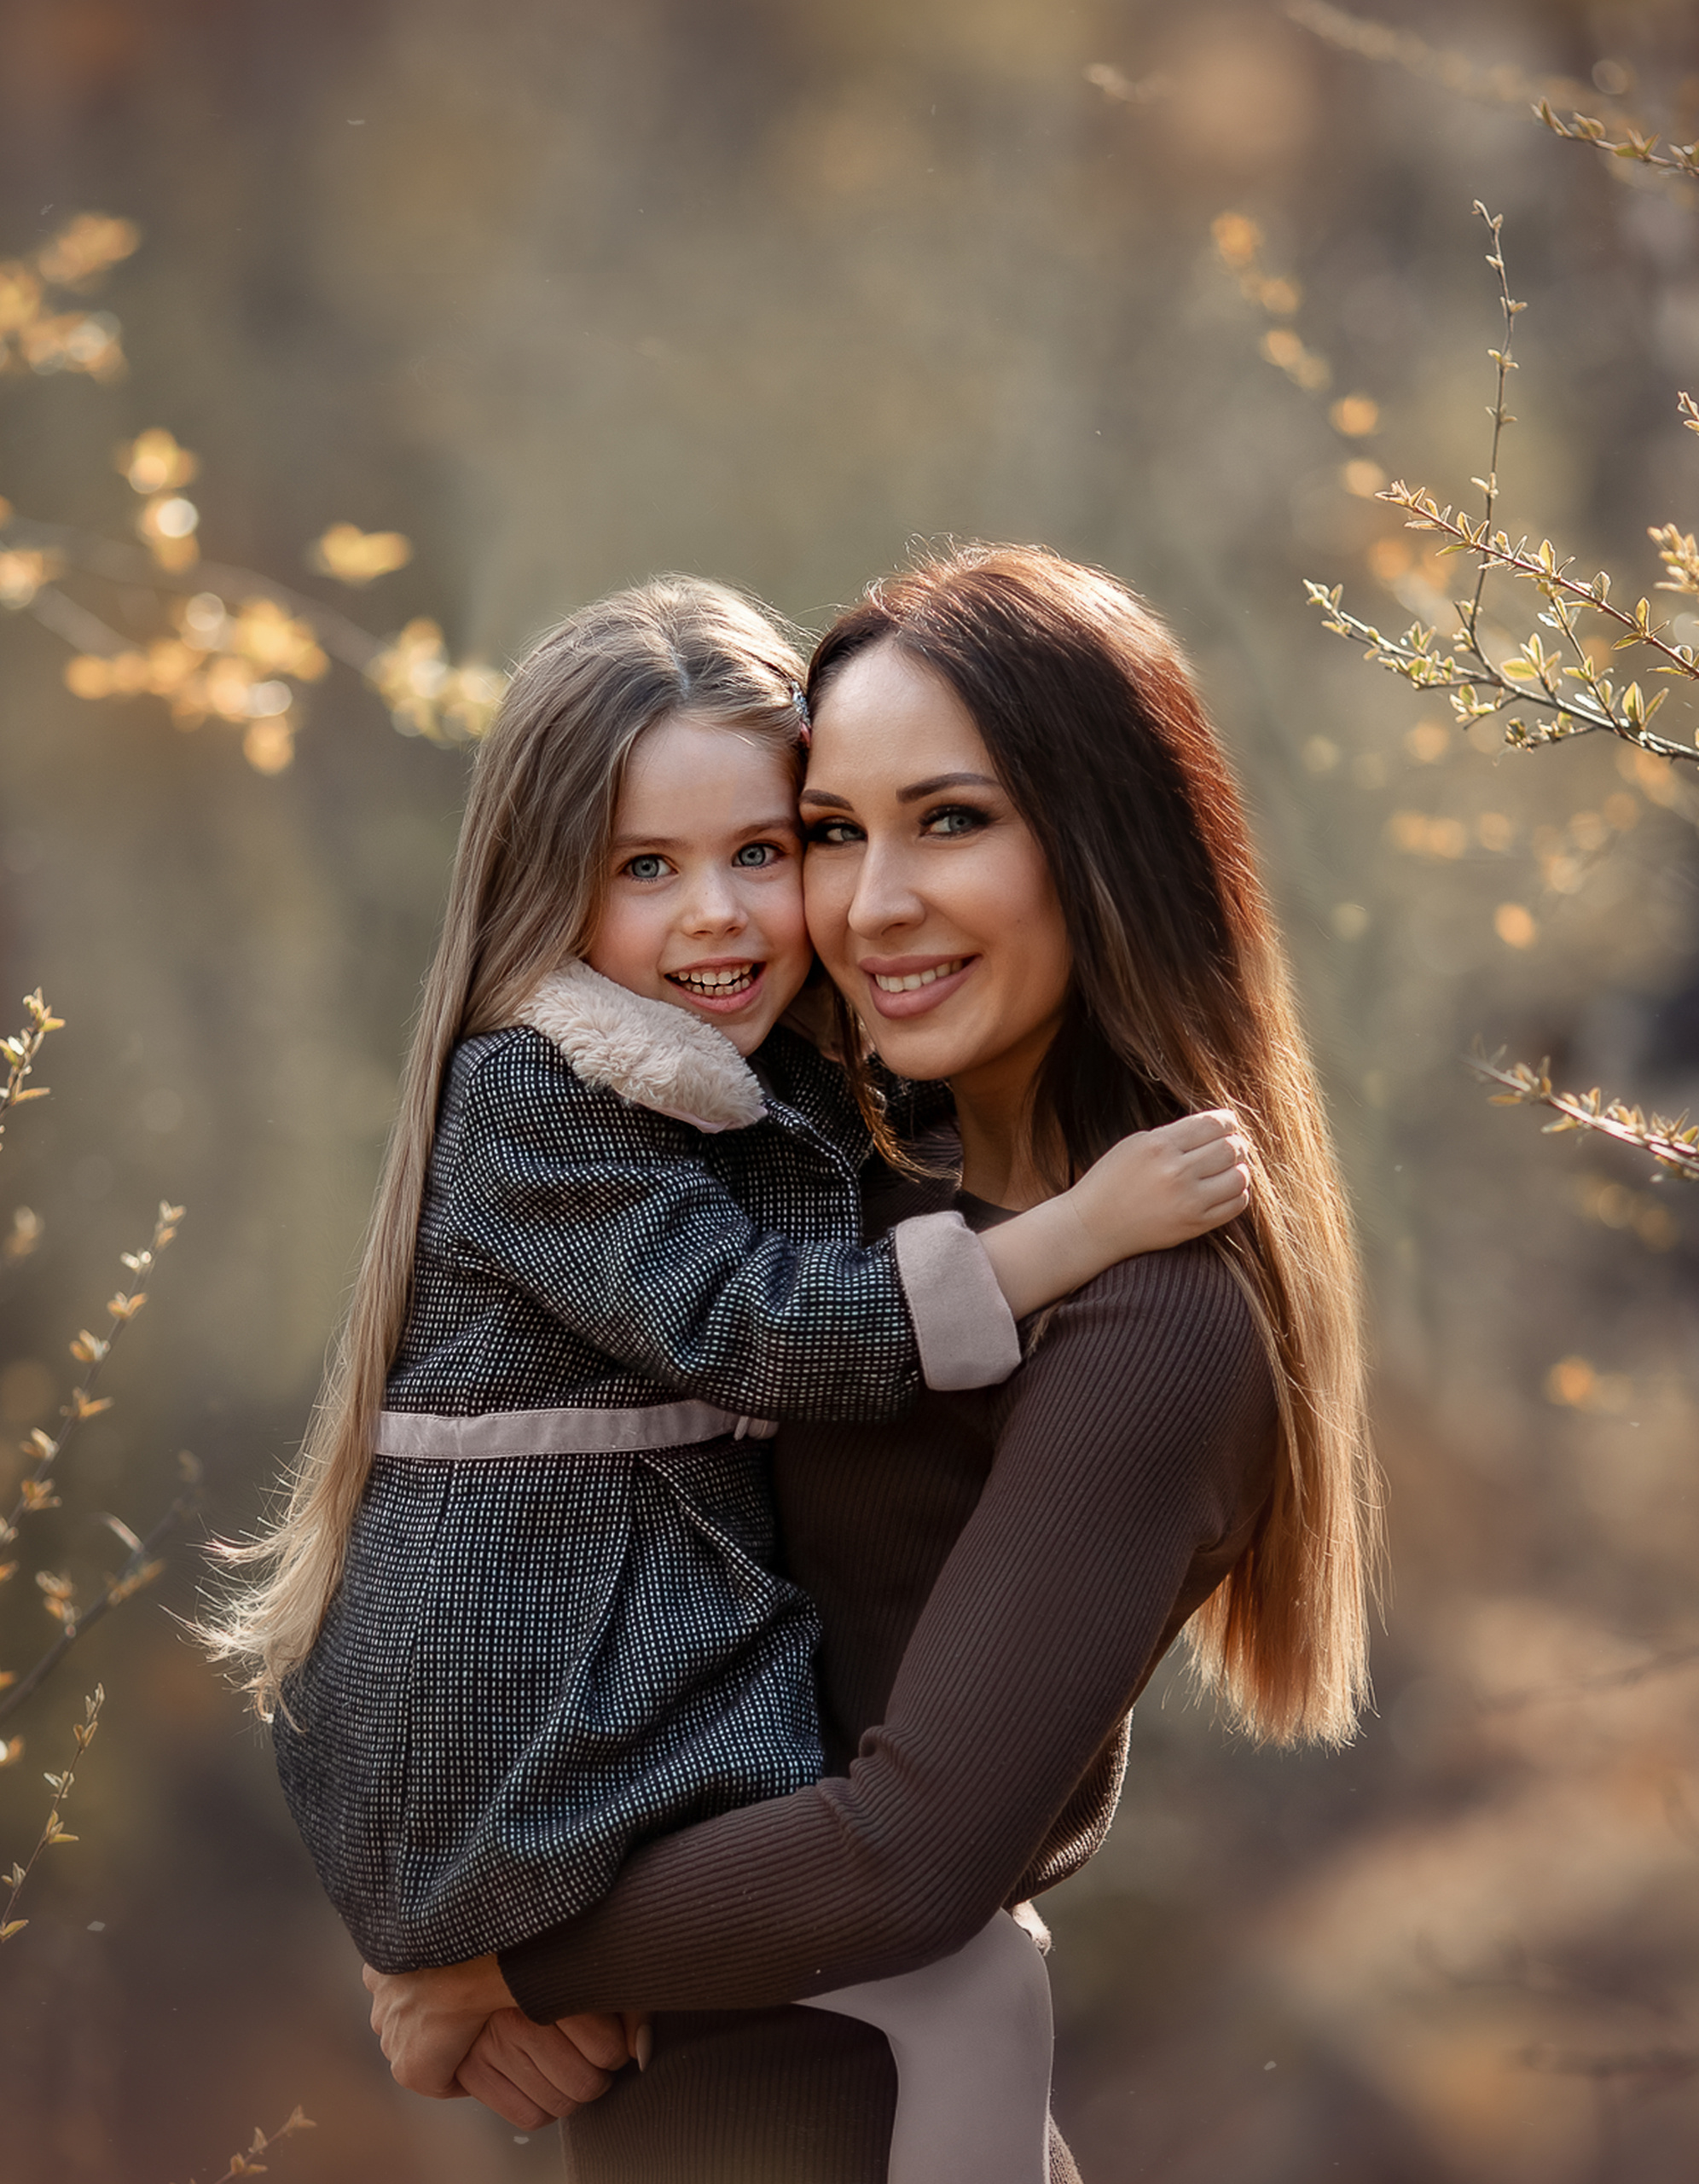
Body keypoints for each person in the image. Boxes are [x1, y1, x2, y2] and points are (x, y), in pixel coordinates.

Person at [208, 574, 1252, 2184]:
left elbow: (909, 1858)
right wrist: (468, 1955)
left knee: (979, 1984)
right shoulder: (672, 1131)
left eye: (766, 848)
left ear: (1098, 849)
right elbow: (779, 1328)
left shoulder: (1128, 1309)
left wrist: (495, 1972)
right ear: (554, 894)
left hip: (800, 2068)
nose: (739, 913)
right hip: (656, 1981)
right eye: (833, 833)